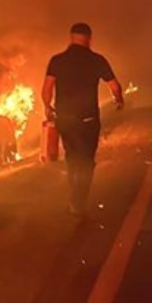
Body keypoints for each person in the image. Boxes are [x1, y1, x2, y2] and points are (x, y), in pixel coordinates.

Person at [42, 22, 124, 217]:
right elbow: (114, 86)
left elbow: (46, 89)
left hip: (65, 119)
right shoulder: (97, 60)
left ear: (71, 37)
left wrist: (47, 107)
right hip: (88, 119)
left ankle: (73, 197)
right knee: (87, 161)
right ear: (89, 38)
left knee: (72, 157)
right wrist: (118, 101)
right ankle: (80, 200)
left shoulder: (57, 60)